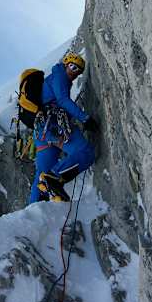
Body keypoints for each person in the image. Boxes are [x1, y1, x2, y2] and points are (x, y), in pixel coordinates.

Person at [28, 52, 98, 203]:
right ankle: (53, 179)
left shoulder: (54, 79)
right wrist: (85, 118)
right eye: (72, 66)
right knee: (86, 152)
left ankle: (34, 210)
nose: (74, 72)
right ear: (65, 64)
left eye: (78, 70)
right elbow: (63, 100)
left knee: (42, 172)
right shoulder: (59, 75)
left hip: (42, 133)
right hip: (54, 127)